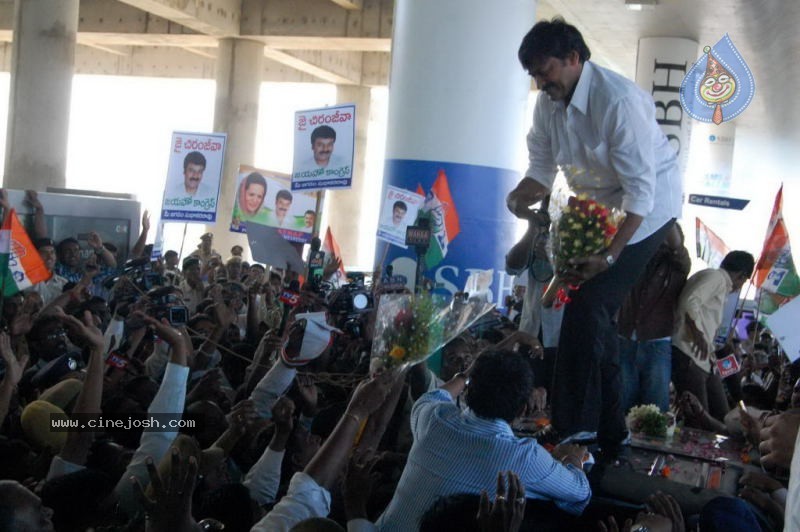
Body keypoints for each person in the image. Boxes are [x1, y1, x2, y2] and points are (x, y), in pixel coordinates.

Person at [507, 18, 682, 457]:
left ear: (573, 58)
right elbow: (542, 167)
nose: (540, 82)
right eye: (533, 75)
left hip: (648, 209)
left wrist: (608, 256)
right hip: (596, 207)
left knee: (587, 304)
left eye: (545, 71)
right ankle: (610, 431)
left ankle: (576, 429)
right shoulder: (548, 104)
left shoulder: (617, 102)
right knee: (593, 315)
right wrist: (518, 197)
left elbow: (641, 193)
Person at [375, 349, 591, 531]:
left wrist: (464, 376)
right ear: (523, 409)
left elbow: (432, 397)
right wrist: (573, 459)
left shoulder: (433, 419)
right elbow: (580, 494)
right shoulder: (524, 458)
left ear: (467, 392)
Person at [672, 250, 755, 422]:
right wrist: (699, 335)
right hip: (689, 354)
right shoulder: (715, 278)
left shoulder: (719, 284)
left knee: (723, 417)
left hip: (705, 362)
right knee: (700, 420)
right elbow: (689, 302)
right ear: (741, 276)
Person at [617, 223, 691, 414]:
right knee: (621, 403)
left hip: (656, 341)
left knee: (655, 408)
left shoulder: (680, 265)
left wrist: (665, 215)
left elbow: (676, 246)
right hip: (625, 337)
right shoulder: (635, 256)